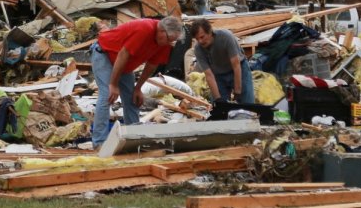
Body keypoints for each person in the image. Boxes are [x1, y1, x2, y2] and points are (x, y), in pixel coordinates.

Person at [90, 16, 185, 147]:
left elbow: (152, 65)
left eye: (172, 41)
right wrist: (113, 83)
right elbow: (123, 54)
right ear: (161, 30)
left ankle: (134, 138)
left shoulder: (165, 42)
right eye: (169, 39)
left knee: (132, 99)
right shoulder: (144, 29)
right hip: (105, 53)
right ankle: (99, 143)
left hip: (125, 63)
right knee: (107, 95)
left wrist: (138, 88)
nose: (168, 43)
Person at [188, 19, 255, 104]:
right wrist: (217, 99)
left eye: (202, 37)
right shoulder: (198, 49)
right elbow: (209, 75)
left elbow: (236, 65)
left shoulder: (226, 36)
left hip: (239, 69)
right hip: (218, 75)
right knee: (219, 109)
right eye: (197, 39)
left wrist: (238, 91)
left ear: (209, 32)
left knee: (247, 105)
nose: (200, 41)